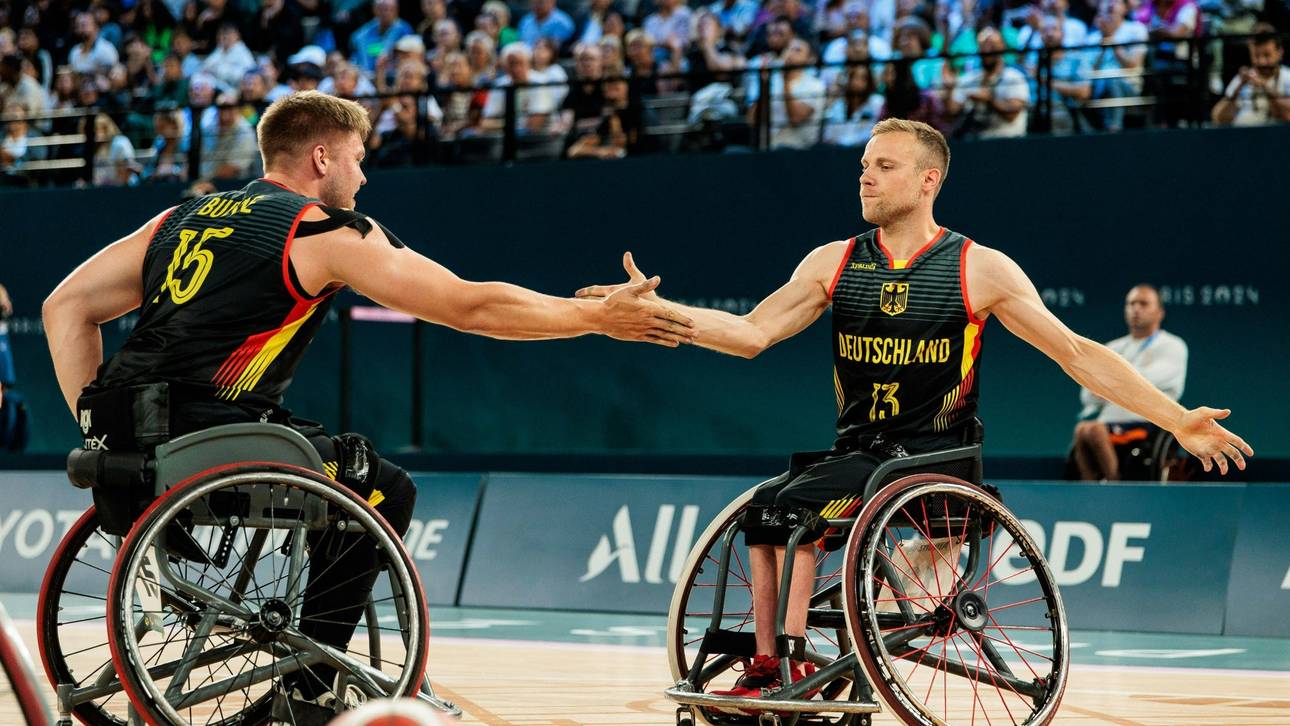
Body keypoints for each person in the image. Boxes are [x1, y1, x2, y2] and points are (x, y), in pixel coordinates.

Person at [42, 90, 691, 724]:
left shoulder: (180, 218)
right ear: (321, 158)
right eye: (357, 157)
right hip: (223, 440)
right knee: (385, 490)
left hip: (129, 446)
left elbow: (64, 306)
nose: (364, 175)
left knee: (331, 465)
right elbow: (470, 305)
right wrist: (598, 316)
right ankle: (314, 685)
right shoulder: (322, 231)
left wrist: (99, 429)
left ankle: (311, 667)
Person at [576, 118, 1251, 708]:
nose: (866, 177)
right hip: (858, 458)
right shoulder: (833, 262)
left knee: (798, 510)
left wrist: (1176, 418)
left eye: (884, 167)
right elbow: (751, 334)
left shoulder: (976, 267)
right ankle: (770, 660)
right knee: (766, 509)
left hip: (935, 461)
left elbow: (1077, 354)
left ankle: (778, 660)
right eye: (864, 166)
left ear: (928, 181)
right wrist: (656, 315)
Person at [1072, 284, 1187, 481]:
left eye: (1143, 303)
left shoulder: (1173, 346)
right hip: (1109, 423)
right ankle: (1091, 489)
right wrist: (1114, 384)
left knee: (1094, 430)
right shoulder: (1112, 347)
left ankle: (1116, 484)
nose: (1136, 308)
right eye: (1131, 303)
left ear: (1159, 313)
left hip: (1147, 424)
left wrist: (1106, 382)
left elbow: (1150, 380)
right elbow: (1087, 392)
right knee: (1083, 429)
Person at [1211, 23, 1290, 127]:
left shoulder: (1287, 77)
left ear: (1279, 52)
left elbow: (1287, 115)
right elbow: (1218, 118)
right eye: (1256, 56)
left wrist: (1265, 87)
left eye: (1267, 55)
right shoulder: (1243, 78)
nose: (1261, 62)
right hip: (1241, 137)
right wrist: (1237, 89)